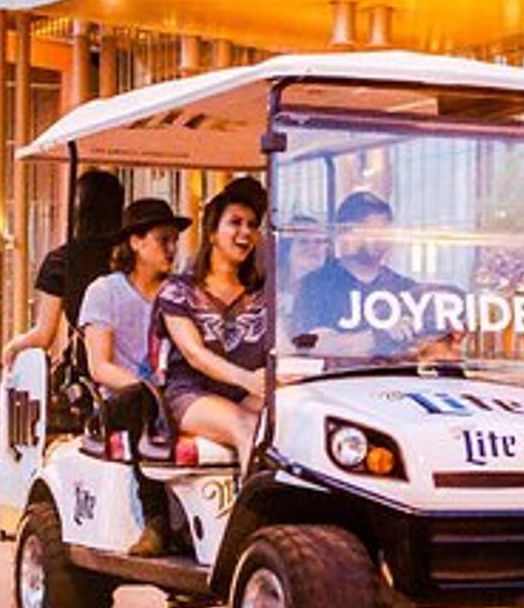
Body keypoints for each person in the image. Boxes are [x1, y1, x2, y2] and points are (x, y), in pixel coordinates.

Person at [154, 176, 269, 469]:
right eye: (235, 222)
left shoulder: (263, 295)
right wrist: (248, 379)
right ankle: (254, 514)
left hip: (247, 395)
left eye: (252, 225)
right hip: (191, 396)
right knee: (247, 427)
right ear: (212, 233)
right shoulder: (178, 291)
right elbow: (195, 354)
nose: (246, 232)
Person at [2, 169, 124, 369]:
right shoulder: (130, 255)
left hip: (90, 366)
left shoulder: (62, 261)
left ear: (79, 209)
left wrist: (14, 346)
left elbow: (44, 335)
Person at [77, 197, 190, 393]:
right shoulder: (105, 291)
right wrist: (147, 393)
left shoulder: (181, 292)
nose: (172, 249)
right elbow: (100, 367)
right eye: (163, 240)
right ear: (136, 242)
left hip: (177, 395)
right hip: (124, 401)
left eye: (175, 241)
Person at [294, 190, 415, 358]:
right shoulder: (316, 285)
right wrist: (381, 335)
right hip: (336, 381)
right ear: (343, 233)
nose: (379, 239)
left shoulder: (406, 288)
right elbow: (313, 346)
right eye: (369, 231)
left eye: (384, 231)